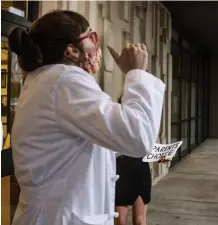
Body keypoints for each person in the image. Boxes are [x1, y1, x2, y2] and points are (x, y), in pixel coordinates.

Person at [8, 10, 165, 225]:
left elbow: (107, 139)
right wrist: (136, 73)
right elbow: (138, 137)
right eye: (92, 38)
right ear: (72, 50)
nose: (97, 46)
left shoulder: (47, 81)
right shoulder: (64, 81)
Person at [114, 96, 168, 225]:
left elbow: (152, 146)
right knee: (121, 221)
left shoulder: (144, 125)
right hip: (121, 170)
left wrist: (162, 156)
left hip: (140, 169)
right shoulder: (115, 124)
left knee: (139, 220)